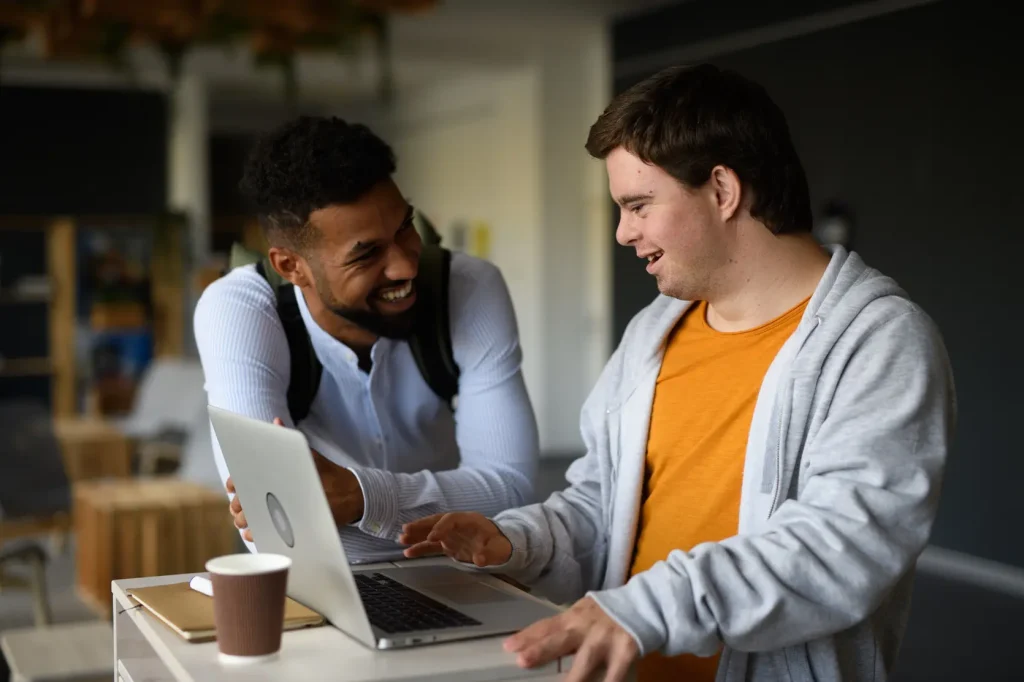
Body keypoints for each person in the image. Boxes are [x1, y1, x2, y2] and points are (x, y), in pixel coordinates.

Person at [399, 64, 956, 682]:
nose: (622, 232)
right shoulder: (654, 331)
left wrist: (643, 610)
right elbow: (600, 503)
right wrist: (516, 542)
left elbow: (841, 548)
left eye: (638, 205)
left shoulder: (880, 339)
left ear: (722, 190)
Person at [194, 116, 539, 564]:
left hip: (460, 573)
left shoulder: (469, 288)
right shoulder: (239, 310)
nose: (406, 267)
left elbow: (513, 491)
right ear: (291, 267)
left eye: (404, 228)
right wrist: (458, 511)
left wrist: (360, 499)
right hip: (337, 584)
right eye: (367, 254)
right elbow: (276, 536)